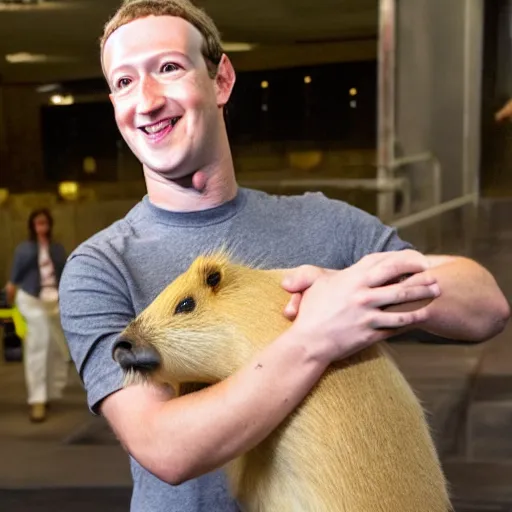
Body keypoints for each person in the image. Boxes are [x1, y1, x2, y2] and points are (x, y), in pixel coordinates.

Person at [58, 1, 510, 510]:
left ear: (221, 80)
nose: (147, 100)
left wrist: (363, 296)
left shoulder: (324, 223)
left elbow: (486, 305)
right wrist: (316, 338)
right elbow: (165, 446)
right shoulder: (100, 267)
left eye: (168, 68)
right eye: (123, 82)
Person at [6, 208, 69, 423]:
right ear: (32, 226)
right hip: (32, 301)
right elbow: (14, 278)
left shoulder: (57, 249)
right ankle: (37, 400)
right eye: (37, 223)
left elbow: (65, 273)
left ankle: (49, 392)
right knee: (38, 348)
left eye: (45, 223)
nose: (42, 227)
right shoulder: (25, 249)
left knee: (55, 349)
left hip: (54, 301)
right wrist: (11, 295)